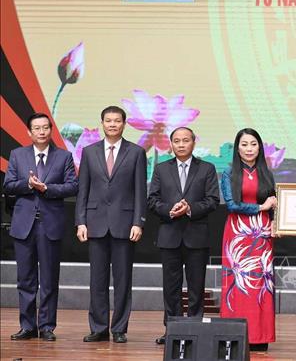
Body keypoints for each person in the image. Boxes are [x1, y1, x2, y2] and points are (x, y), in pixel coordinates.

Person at [75, 106, 147, 343]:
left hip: (125, 224)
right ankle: (98, 328)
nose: (113, 124)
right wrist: (80, 221)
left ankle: (119, 329)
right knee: (97, 280)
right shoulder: (89, 152)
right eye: (108, 120)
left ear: (124, 124)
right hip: (95, 223)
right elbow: (83, 190)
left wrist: (138, 222)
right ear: (102, 123)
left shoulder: (136, 152)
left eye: (117, 121)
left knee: (123, 280)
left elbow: (140, 191)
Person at [3, 113, 78, 342]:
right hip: (24, 225)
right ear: (29, 132)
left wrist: (47, 189)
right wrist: (28, 184)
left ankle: (46, 326)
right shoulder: (18, 155)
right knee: (25, 279)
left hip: (50, 225)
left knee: (48, 279)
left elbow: (72, 186)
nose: (42, 131)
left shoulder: (64, 156)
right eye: (37, 128)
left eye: (45, 127)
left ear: (51, 130)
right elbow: (8, 185)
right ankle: (27, 326)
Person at [148, 127, 219, 345]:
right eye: (176, 141)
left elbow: (212, 200)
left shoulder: (207, 168)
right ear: (171, 144)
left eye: (185, 140)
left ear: (193, 143)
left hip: (196, 236)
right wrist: (170, 210)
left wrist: (189, 209)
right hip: (169, 235)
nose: (181, 144)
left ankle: (195, 330)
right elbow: (152, 200)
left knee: (196, 287)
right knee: (171, 288)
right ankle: (173, 330)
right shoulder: (161, 169)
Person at [219, 128, 276, 351]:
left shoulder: (266, 173)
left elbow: (274, 204)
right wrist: (261, 207)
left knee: (261, 283)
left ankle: (260, 336)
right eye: (244, 144)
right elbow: (232, 205)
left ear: (259, 147)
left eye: (253, 144)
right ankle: (235, 336)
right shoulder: (229, 173)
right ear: (237, 148)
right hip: (237, 234)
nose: (249, 149)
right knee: (239, 283)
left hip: (262, 233)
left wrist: (275, 222)